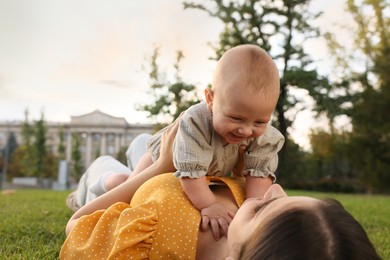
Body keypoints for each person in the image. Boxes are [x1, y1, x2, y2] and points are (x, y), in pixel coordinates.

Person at [62, 117, 380, 259]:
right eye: (288, 194)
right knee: (139, 142)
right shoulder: (252, 202)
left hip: (134, 189)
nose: (275, 190)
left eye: (263, 207)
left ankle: (84, 190)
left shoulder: (158, 238)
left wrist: (153, 171)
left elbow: (77, 228)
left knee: (106, 168)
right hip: (169, 172)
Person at [85, 44, 284, 240]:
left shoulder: (264, 136)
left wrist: (253, 212)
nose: (246, 130)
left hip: (205, 171)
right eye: (235, 118)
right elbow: (191, 175)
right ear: (210, 99)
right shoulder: (196, 122)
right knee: (131, 194)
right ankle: (108, 181)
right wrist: (209, 205)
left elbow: (259, 179)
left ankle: (116, 179)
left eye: (260, 121)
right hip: (163, 161)